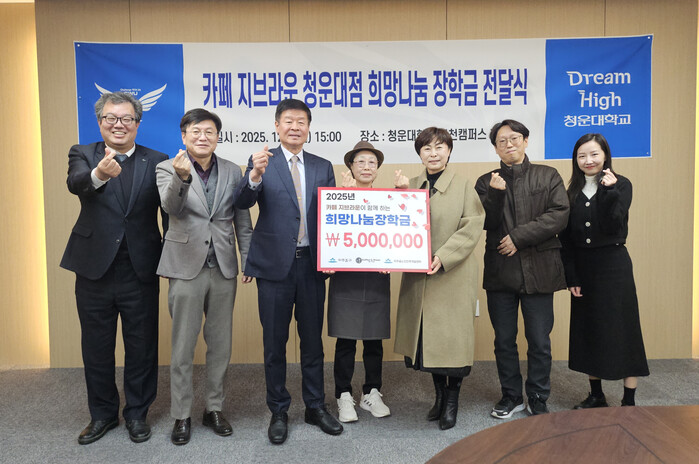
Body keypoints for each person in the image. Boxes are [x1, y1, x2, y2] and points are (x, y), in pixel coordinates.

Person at [60, 91, 167, 444]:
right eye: (111, 118)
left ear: (137, 123)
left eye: (126, 119)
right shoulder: (83, 154)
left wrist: (172, 259)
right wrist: (98, 175)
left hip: (140, 267)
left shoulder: (157, 160)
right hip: (94, 267)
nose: (118, 124)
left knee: (142, 346)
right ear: (100, 122)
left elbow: (169, 213)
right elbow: (76, 183)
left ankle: (137, 414)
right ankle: (103, 415)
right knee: (96, 346)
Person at [233, 98, 342, 444]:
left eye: (301, 122)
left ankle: (315, 406)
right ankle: (278, 409)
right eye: (288, 121)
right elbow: (242, 202)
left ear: (309, 128)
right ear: (277, 126)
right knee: (274, 343)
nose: (295, 127)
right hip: (274, 267)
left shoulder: (323, 165)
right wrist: (254, 175)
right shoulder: (262, 162)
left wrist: (335, 255)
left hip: (311, 265)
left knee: (312, 342)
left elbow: (333, 216)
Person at [156, 109, 252, 445]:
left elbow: (241, 219)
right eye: (195, 131)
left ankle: (214, 408)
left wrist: (248, 260)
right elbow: (170, 208)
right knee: (183, 346)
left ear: (218, 137)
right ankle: (181, 414)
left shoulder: (232, 170)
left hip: (223, 266)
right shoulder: (167, 167)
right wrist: (182, 179)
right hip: (185, 266)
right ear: (184, 136)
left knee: (220, 344)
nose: (203, 137)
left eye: (209, 131)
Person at [475, 119, 569, 418]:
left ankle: (538, 396)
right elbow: (485, 223)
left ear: (526, 141)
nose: (509, 144)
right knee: (504, 340)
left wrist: (518, 237)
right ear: (495, 148)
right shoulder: (486, 181)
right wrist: (495, 194)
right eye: (501, 141)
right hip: (500, 271)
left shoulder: (547, 175)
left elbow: (559, 214)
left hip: (539, 269)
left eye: (514, 138)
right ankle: (511, 395)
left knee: (539, 340)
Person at [394, 127, 485, 430]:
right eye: (426, 148)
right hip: (420, 277)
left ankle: (452, 401)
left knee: (452, 343)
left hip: (452, 275)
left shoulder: (463, 185)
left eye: (439, 147)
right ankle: (439, 397)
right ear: (419, 154)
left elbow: (472, 226)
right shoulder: (412, 184)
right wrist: (399, 195)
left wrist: (443, 256)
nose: (433, 154)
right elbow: (396, 224)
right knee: (429, 343)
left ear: (449, 150)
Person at [560, 133, 649, 409]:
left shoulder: (621, 184)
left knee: (623, 327)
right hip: (584, 268)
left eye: (594, 154)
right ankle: (596, 395)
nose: (588, 160)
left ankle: (629, 399)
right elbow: (566, 240)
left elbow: (615, 224)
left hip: (614, 265)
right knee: (590, 329)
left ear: (605, 156)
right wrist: (572, 277)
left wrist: (609, 192)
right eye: (582, 156)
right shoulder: (571, 191)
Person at [328, 141, 392, 423]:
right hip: (346, 277)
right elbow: (328, 233)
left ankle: (372, 392)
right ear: (351, 167)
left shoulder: (389, 201)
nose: (366, 167)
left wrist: (393, 259)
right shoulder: (337, 198)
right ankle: (343, 394)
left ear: (377, 169)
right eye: (361, 162)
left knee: (374, 339)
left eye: (372, 162)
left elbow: (396, 237)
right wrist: (345, 197)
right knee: (346, 339)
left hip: (376, 277)